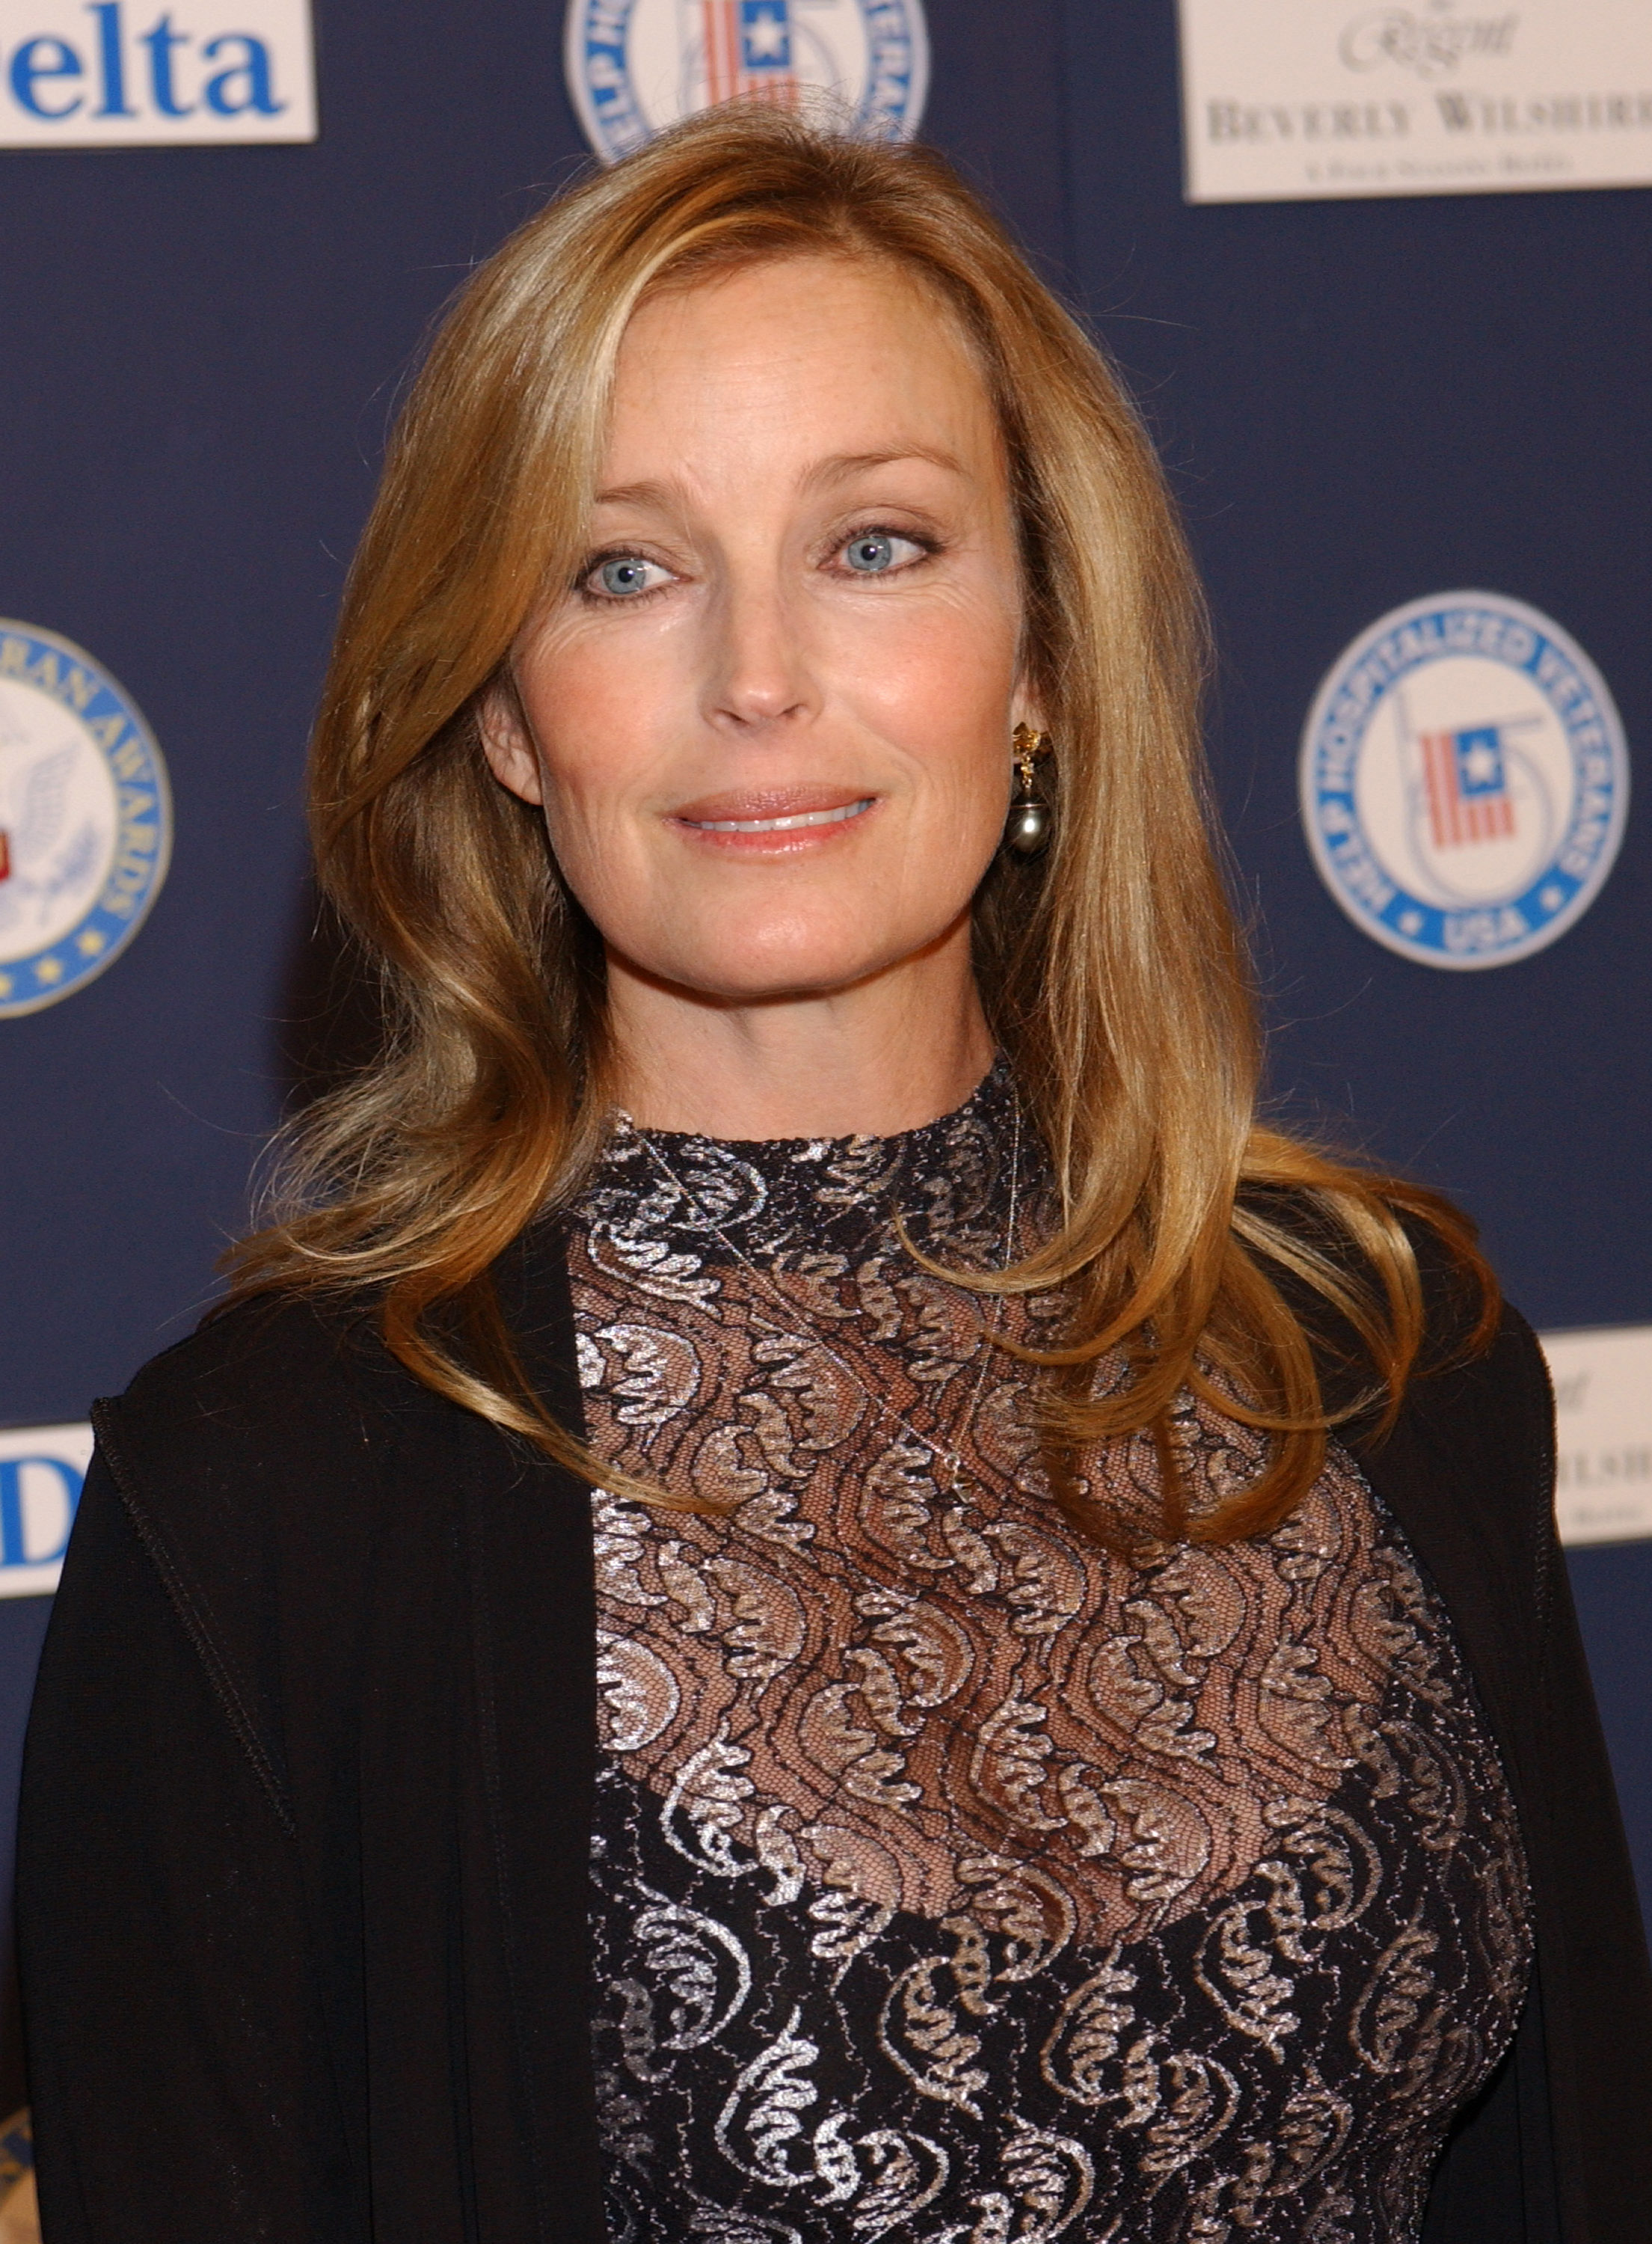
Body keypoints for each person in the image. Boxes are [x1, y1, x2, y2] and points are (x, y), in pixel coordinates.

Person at [16, 106, 1651, 2244]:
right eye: (625, 570)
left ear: (1044, 659)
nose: (758, 678)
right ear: (508, 715)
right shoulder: (266, 1509)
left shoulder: (1389, 1367)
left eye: (874, 545)